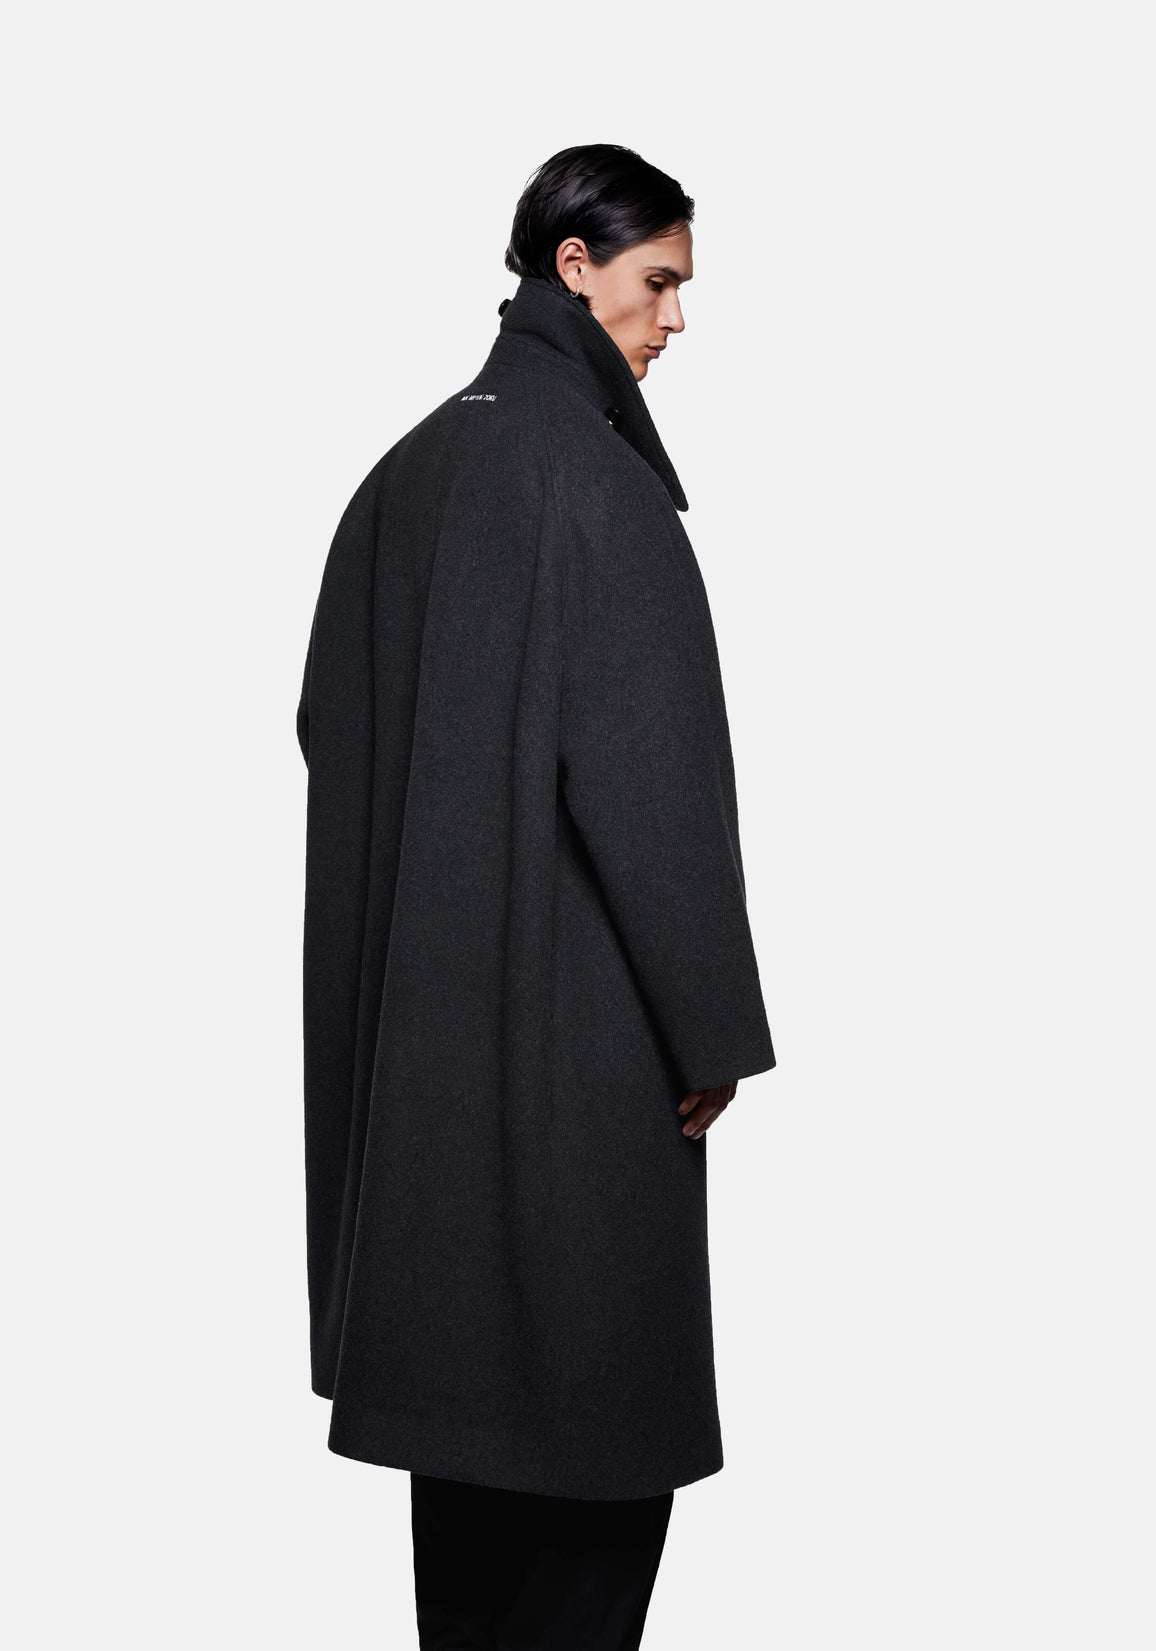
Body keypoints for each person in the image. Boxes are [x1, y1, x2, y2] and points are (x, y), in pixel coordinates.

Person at [295, 143, 777, 1649]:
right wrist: (711, 1032)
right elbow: (653, 789)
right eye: (659, 283)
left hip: (417, 1060)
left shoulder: (408, 475)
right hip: (580, 1057)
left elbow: (325, 730)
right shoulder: (595, 487)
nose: (676, 320)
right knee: (598, 1446)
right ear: (574, 267)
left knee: (468, 1443)